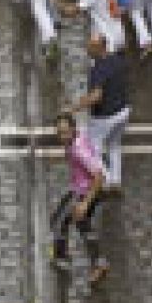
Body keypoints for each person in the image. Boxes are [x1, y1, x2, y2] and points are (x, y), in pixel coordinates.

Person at [65, 34, 130, 191]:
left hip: (105, 116)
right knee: (114, 145)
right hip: (123, 111)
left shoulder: (97, 69)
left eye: (90, 46)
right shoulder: (117, 61)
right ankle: (116, 181)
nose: (87, 49)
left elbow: (96, 96)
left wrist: (74, 107)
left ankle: (105, 181)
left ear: (99, 47)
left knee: (92, 148)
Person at [51, 113, 109, 283]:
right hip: (81, 190)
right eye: (59, 133)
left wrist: (84, 204)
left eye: (66, 132)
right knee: (68, 221)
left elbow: (98, 176)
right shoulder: (76, 140)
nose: (63, 137)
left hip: (86, 192)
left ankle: (65, 259)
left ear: (73, 129)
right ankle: (64, 257)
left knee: (63, 221)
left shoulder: (78, 149)